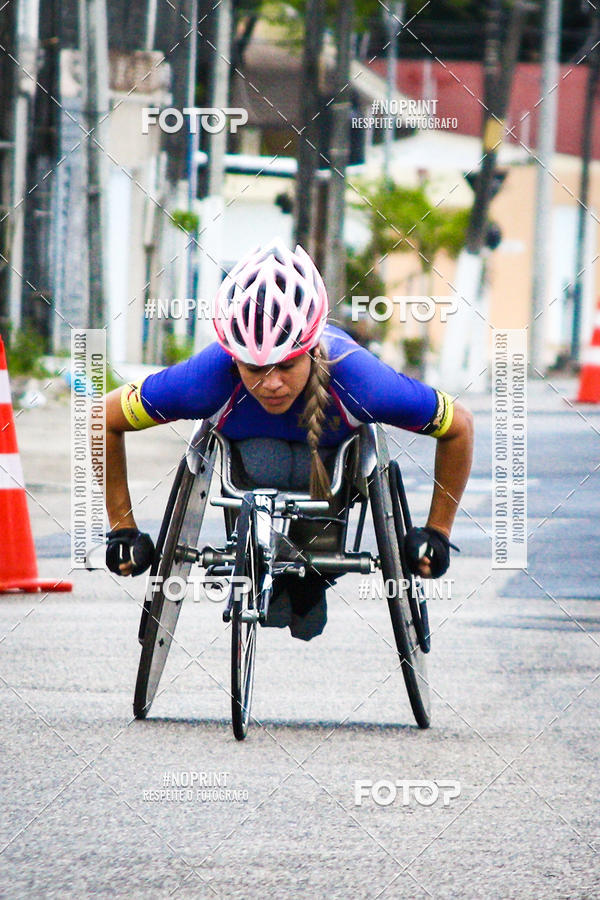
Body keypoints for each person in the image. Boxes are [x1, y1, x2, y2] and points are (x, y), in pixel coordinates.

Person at [103, 238, 473, 641]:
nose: (271, 383)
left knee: (319, 480)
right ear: (233, 356)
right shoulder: (206, 380)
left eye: (287, 365)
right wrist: (123, 528)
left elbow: (459, 427)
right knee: (264, 457)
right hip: (249, 467)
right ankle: (275, 565)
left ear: (312, 348)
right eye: (253, 367)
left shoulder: (361, 381)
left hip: (332, 471)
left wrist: (438, 531)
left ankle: (308, 577)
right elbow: (103, 418)